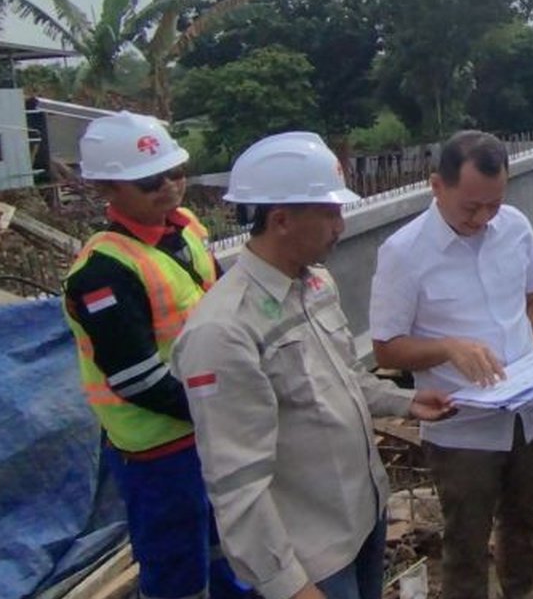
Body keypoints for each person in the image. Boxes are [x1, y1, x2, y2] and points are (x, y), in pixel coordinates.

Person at [171, 132, 454, 599]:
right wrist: (292, 587)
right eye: (330, 214)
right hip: (311, 557)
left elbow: (343, 379)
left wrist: (406, 401)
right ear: (281, 220)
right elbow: (236, 487)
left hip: (363, 519)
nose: (341, 226)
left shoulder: (316, 283)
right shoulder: (222, 332)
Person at [369, 130, 533, 599]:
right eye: (470, 207)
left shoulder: (514, 226)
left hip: (531, 414)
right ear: (437, 186)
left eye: (493, 205)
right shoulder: (404, 252)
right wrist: (447, 349)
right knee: (466, 543)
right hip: (463, 428)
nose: (482, 218)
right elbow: (386, 349)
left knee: (523, 530)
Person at [62, 111, 250, 599]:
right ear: (109, 190)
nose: (168, 187)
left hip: (208, 428)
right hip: (160, 449)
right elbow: (137, 377)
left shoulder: (185, 229)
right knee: (176, 568)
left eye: (176, 172)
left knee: (230, 547)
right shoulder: (102, 273)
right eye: (149, 181)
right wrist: (221, 410)